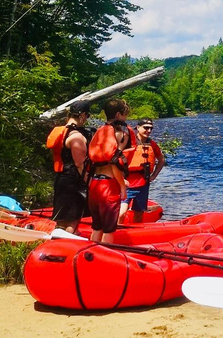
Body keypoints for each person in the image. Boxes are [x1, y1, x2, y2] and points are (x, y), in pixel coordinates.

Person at [87, 98, 134, 243]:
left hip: (94, 184)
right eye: (126, 115)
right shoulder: (120, 134)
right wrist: (122, 187)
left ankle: (90, 255)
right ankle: (104, 258)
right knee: (109, 230)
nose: (126, 118)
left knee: (97, 227)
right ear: (119, 115)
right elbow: (115, 163)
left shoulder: (99, 131)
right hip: (108, 186)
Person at [47, 100, 91, 233]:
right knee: (73, 218)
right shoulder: (76, 136)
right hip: (73, 181)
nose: (87, 119)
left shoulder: (62, 132)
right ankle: (67, 244)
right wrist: (90, 183)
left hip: (61, 178)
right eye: (87, 116)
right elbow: (80, 164)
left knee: (61, 217)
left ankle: (56, 245)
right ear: (82, 115)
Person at [122, 118, 165, 223]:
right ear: (138, 128)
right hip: (127, 183)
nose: (149, 131)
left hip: (143, 184)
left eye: (151, 128)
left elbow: (161, 160)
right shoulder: (128, 142)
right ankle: (115, 234)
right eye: (146, 128)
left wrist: (154, 175)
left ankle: (135, 234)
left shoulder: (152, 144)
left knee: (139, 214)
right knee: (121, 212)